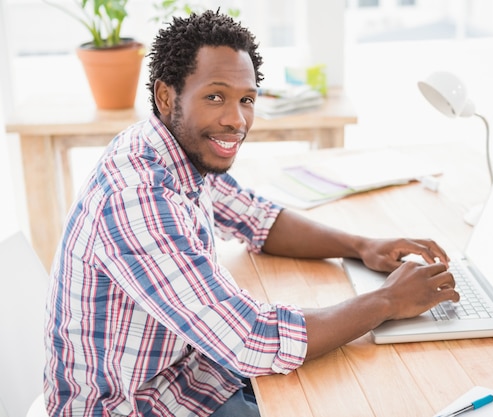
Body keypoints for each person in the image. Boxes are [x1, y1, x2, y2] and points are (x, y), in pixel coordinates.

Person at [44, 10, 459, 417]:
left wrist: (363, 246)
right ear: (166, 95)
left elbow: (256, 217)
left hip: (189, 376)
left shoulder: (173, 148)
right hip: (133, 405)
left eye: (246, 100)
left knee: (356, 382)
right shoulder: (138, 196)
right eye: (215, 97)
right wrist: (387, 300)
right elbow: (250, 340)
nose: (236, 119)